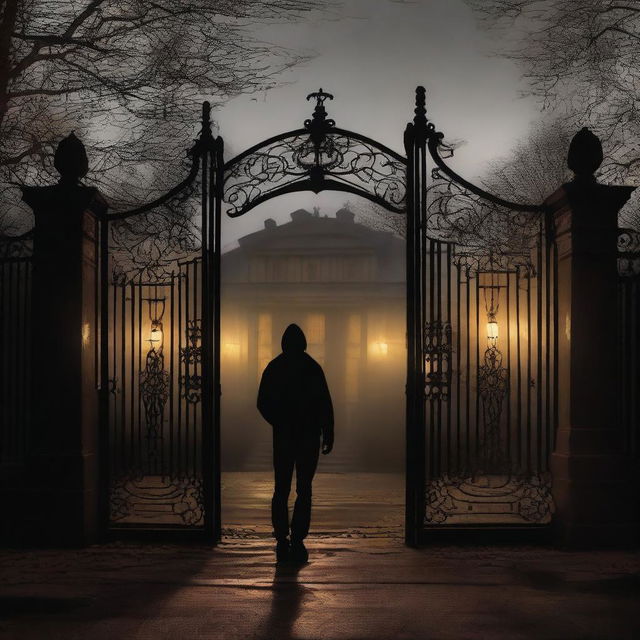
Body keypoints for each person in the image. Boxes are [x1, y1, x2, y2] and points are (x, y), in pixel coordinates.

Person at [257, 323, 334, 563]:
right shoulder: (312, 368)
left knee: (281, 487)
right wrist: (327, 432)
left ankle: (281, 534)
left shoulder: (274, 367)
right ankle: (298, 535)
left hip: (284, 436)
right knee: (304, 488)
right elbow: (325, 404)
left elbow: (262, 403)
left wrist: (279, 422)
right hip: (308, 436)